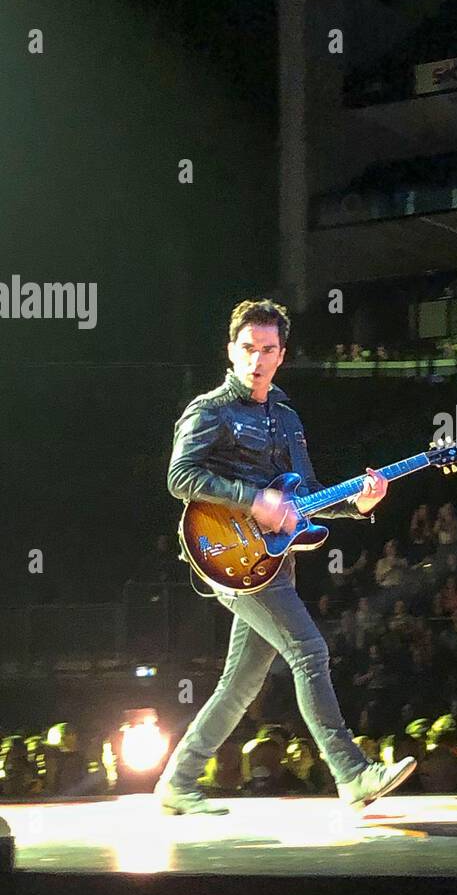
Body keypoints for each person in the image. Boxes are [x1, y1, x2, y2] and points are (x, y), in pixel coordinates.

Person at [155, 298, 416, 815]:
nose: (256, 358)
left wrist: (358, 504)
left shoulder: (288, 417)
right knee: (309, 651)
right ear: (231, 351)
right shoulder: (210, 410)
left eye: (267, 350)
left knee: (242, 683)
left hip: (273, 559)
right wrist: (253, 499)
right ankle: (352, 773)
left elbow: (309, 494)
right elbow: (180, 477)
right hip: (226, 551)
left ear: (282, 355)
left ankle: (179, 781)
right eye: (247, 348)